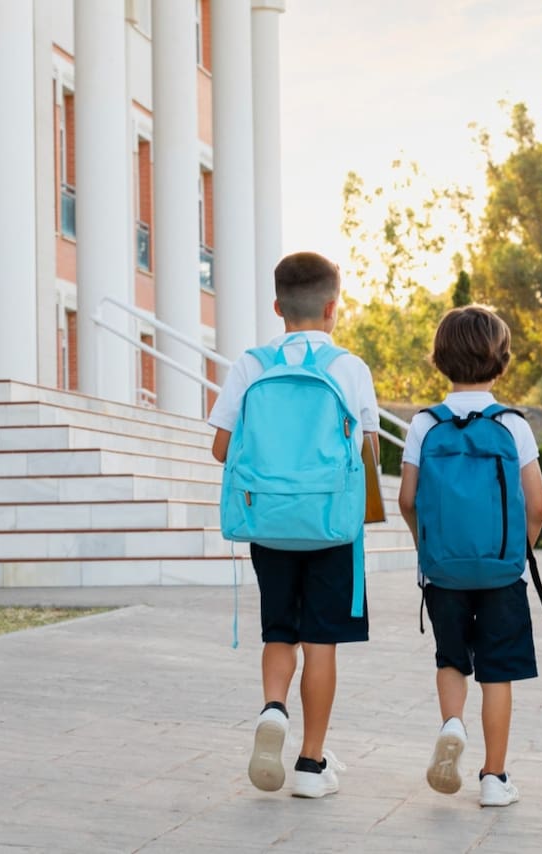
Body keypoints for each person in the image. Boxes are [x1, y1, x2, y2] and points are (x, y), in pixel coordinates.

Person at [208, 251, 380, 799]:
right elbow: (368, 455)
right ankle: (311, 762)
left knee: (279, 630)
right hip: (331, 526)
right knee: (321, 642)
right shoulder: (350, 368)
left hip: (270, 523)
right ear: (333, 307)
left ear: (277, 307)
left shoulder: (251, 365)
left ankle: (273, 708)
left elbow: (221, 448)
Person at [397, 305, 542, 808]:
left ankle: (452, 724)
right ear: (501, 362)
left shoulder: (424, 424)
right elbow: (537, 505)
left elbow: (407, 498)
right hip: (502, 572)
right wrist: (516, 552)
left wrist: (427, 548)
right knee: (497, 672)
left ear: (440, 359)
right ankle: (494, 777)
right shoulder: (512, 424)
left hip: (443, 571)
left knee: (451, 659)